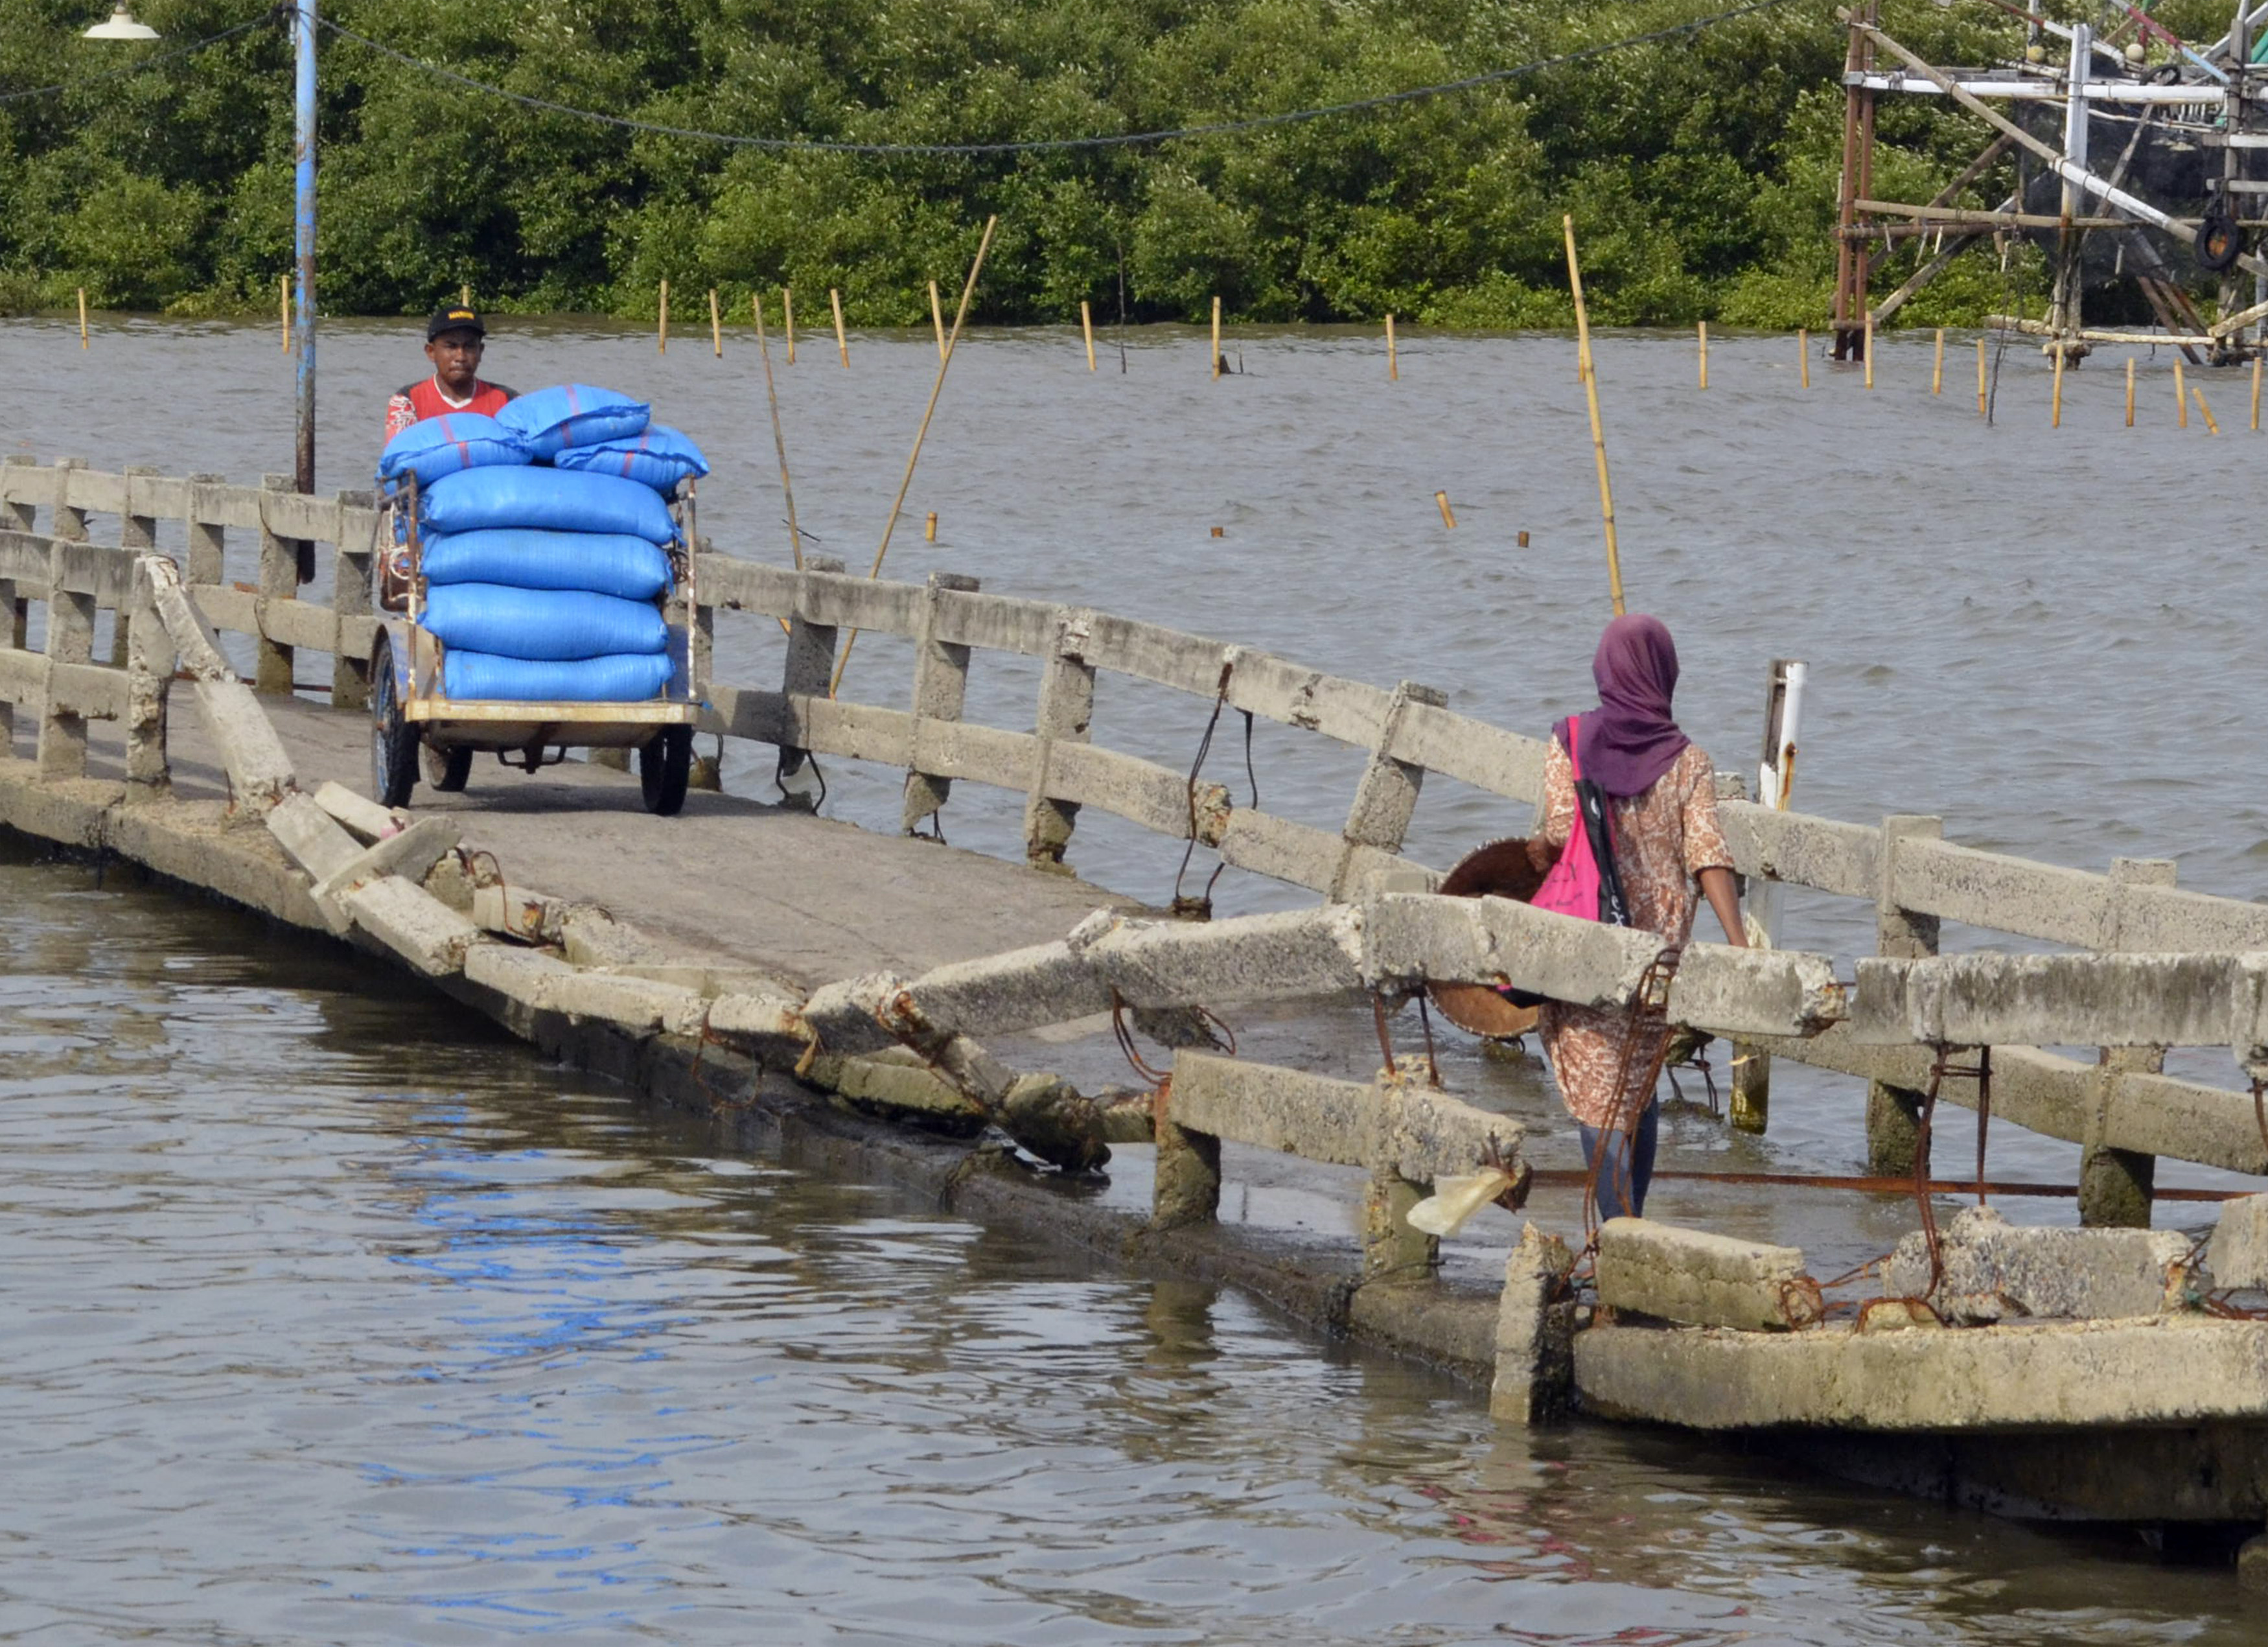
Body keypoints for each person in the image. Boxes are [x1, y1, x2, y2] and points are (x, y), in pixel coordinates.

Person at [1526, 614, 1747, 1224]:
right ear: (1664, 673)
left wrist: (1537, 854)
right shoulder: (1689, 761)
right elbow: (1709, 855)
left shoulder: (1570, 740)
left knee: (1603, 1101)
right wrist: (1740, 944)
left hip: (1586, 945)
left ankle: (1620, 1243)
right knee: (1637, 1087)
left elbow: (1558, 833)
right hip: (1658, 956)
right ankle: (1633, 1234)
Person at [382, 305, 516, 440]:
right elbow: (400, 455)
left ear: (480, 351)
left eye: (469, 347)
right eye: (451, 346)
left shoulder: (508, 402)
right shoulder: (407, 402)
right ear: (431, 352)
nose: (461, 357)